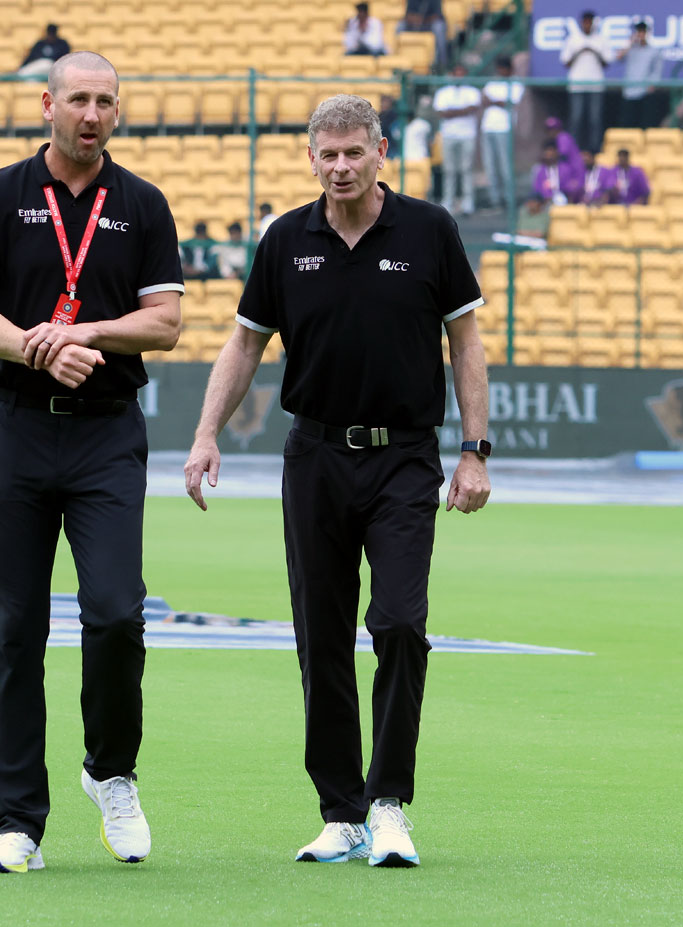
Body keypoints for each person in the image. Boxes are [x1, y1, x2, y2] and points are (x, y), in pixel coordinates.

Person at [183, 94, 491, 869]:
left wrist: (476, 448)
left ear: (381, 151)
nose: (343, 166)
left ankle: (389, 804)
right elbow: (245, 344)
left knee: (397, 623)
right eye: (330, 154)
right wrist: (205, 433)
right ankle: (340, 810)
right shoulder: (286, 239)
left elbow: (467, 341)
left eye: (356, 152)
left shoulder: (429, 231)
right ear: (310, 157)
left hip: (404, 457)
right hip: (314, 457)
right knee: (321, 636)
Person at [0, 50, 184, 874]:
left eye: (106, 102)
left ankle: (110, 771)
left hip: (107, 435)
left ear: (118, 111)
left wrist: (82, 335)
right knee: (16, 628)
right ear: (48, 103)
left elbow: (165, 324)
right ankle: (18, 822)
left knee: (117, 612)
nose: (92, 114)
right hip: (16, 429)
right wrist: (35, 350)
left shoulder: (143, 205)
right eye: (79, 99)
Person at [433, 64, 482, 215]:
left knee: (466, 169)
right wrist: (463, 110)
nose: (459, 76)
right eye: (457, 73)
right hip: (448, 135)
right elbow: (442, 113)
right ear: (452, 74)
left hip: (467, 135)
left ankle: (468, 201)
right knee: (449, 169)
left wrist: (452, 111)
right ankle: (449, 200)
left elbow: (473, 108)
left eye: (462, 73)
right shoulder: (443, 92)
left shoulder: (472, 91)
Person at [560, 9, 609, 155]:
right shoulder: (573, 39)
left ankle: (594, 150)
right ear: (582, 23)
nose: (588, 25)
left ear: (594, 23)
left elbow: (607, 62)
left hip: (595, 85)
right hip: (577, 85)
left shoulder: (601, 39)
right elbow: (566, 62)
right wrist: (580, 51)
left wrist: (593, 51)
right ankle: (573, 150)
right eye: (585, 22)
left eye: (590, 22)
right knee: (576, 118)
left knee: (595, 119)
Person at [480, 56, 524, 211]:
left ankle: (509, 200)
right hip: (488, 127)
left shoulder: (516, 83)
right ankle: (495, 201)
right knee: (490, 166)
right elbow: (484, 100)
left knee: (506, 166)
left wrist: (494, 101)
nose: (500, 71)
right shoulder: (493, 82)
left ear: (509, 69)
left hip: (505, 128)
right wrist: (495, 101)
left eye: (503, 68)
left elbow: (509, 103)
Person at [617, 21, 663, 129]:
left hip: (645, 93)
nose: (641, 34)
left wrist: (652, 85)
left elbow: (656, 71)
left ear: (647, 33)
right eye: (639, 31)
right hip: (629, 92)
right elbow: (618, 57)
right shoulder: (631, 49)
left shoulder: (654, 51)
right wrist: (630, 43)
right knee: (628, 123)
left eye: (643, 31)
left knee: (645, 124)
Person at [396, 0, 449, 73]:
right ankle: (396, 58)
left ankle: (441, 63)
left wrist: (423, 20)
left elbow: (437, 16)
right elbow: (407, 15)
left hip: (429, 24)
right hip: (415, 24)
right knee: (400, 26)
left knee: (438, 27)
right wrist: (416, 19)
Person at [532, 141, 577, 206]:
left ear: (557, 152)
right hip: (545, 205)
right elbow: (536, 190)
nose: (549, 156)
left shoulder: (566, 169)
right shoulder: (539, 171)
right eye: (547, 154)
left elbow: (571, 187)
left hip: (565, 203)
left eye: (551, 153)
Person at [544, 115, 583, 180]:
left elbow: (562, 155)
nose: (551, 132)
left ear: (558, 129)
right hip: (571, 169)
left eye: (553, 129)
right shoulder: (561, 137)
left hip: (574, 170)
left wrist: (548, 156)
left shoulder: (562, 137)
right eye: (549, 129)